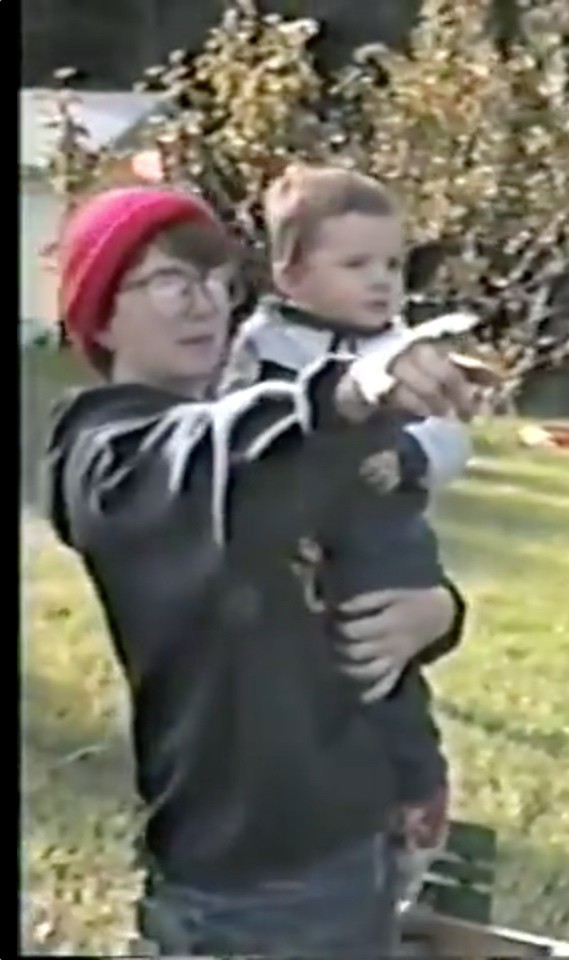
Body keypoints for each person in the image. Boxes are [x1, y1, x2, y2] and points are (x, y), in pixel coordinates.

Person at [42, 185, 476, 955]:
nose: (203, 304)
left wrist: (437, 612)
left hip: (355, 838)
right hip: (252, 883)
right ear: (103, 315)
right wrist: (346, 389)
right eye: (171, 282)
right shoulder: (106, 456)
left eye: (216, 282)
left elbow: (367, 544)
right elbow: (214, 454)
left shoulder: (273, 434)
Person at [220, 164, 484, 904]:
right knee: (333, 689)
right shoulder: (266, 349)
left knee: (391, 681)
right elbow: (243, 436)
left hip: (387, 549)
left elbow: (454, 436)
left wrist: (409, 455)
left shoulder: (406, 349)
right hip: (304, 559)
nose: (382, 283)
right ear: (291, 273)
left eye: (394, 265)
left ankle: (416, 796)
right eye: (357, 264)